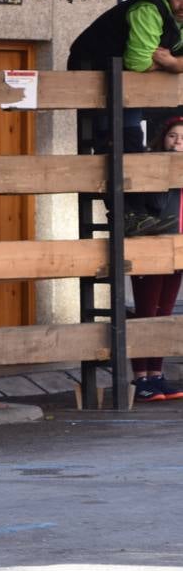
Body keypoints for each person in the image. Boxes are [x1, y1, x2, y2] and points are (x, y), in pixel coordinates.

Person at [69, 0, 183, 235]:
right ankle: (126, 215)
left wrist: (172, 63)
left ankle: (137, 214)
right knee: (113, 142)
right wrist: (166, 65)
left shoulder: (174, 14)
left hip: (127, 85)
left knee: (131, 142)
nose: (181, 5)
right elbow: (138, 62)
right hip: (95, 72)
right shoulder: (149, 8)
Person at [129, 115, 183, 403]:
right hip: (151, 247)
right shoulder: (152, 169)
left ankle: (157, 373)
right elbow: (156, 205)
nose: (178, 143)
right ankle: (141, 378)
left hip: (178, 250)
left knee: (164, 313)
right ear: (163, 138)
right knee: (146, 312)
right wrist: (170, 174)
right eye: (173, 136)